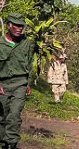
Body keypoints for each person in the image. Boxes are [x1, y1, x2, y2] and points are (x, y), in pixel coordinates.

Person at [0, 13, 33, 149]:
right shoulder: (0, 44)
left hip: (20, 84)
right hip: (3, 85)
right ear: (8, 26)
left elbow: (30, 64)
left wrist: (28, 83)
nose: (20, 29)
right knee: (2, 117)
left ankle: (11, 144)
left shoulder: (27, 44)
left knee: (14, 115)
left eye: (22, 26)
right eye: (17, 26)